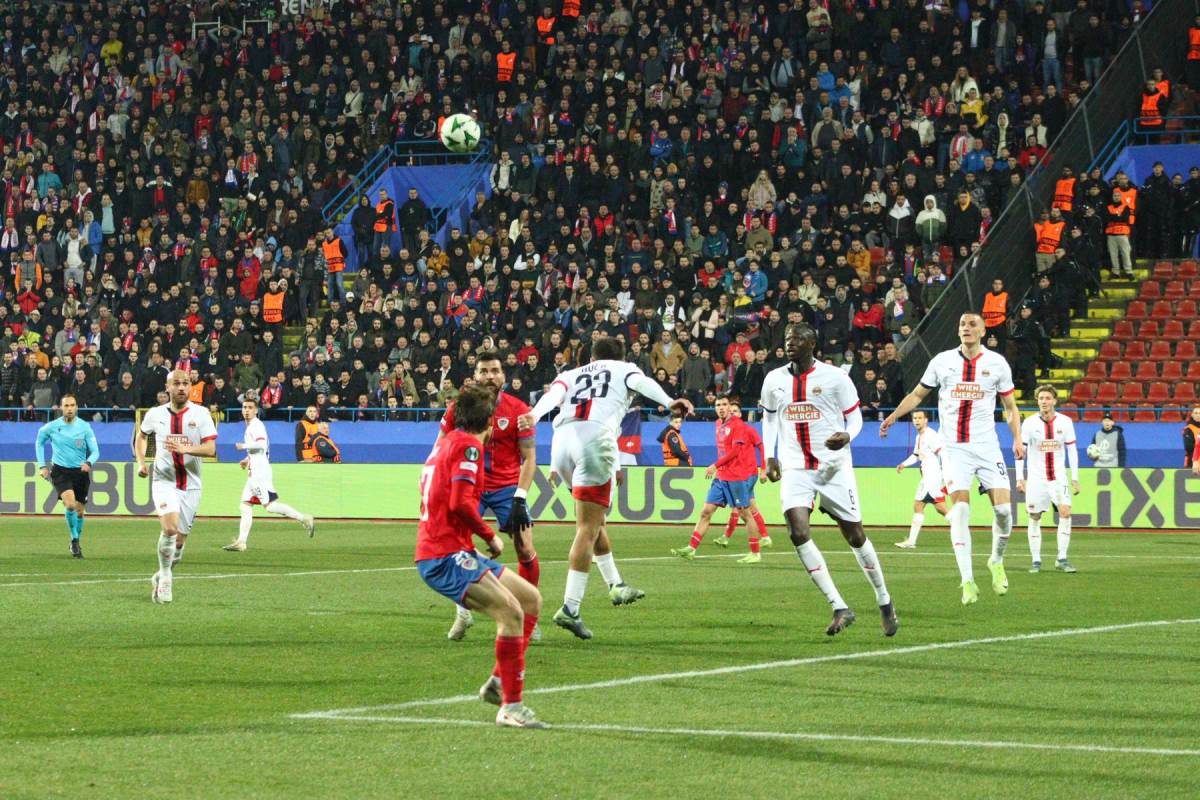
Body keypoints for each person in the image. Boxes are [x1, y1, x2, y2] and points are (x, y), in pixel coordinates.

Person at [520, 336, 693, 640]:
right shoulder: (624, 369)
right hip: (595, 439)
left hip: (560, 441)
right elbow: (644, 383)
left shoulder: (570, 374)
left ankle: (616, 585)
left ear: (590, 356)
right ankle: (571, 607)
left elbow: (553, 396)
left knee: (594, 521)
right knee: (587, 527)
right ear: (622, 354)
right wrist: (669, 402)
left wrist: (534, 415)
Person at [415, 384, 546, 729]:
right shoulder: (470, 448)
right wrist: (490, 536)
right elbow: (459, 502)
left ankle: (500, 682)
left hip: (454, 550)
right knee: (511, 612)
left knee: (530, 600)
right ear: (488, 421)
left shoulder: (445, 444)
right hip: (444, 555)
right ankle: (511, 707)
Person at [760, 323, 898, 637]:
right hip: (796, 468)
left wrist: (848, 434)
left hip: (833, 466)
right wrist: (770, 456)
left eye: (796, 338)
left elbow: (855, 415)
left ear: (812, 343)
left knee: (855, 536)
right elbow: (769, 418)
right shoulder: (774, 380)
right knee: (797, 531)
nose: (790, 342)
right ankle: (839, 606)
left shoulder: (835, 378)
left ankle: (884, 598)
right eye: (787, 337)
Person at [880, 313, 1025, 605]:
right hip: (954, 449)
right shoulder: (942, 362)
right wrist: (894, 416)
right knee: (959, 511)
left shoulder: (996, 364)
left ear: (983, 330)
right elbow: (918, 395)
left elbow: (1010, 407)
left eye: (972, 325)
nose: (966, 329)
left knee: (1005, 513)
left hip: (987, 447)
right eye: (962, 325)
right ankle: (967, 580)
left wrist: (1018, 438)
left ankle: (995, 560)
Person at [440, 352, 540, 642]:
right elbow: (441, 447)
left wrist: (520, 497)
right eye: (484, 371)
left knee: (524, 547)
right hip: (468, 485)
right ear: (475, 376)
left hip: (506, 487)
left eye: (495, 370)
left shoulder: (519, 410)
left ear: (503, 376)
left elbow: (529, 458)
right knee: (458, 549)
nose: (490, 376)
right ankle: (463, 613)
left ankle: (526, 616)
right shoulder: (457, 408)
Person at [134, 370, 218, 604]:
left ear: (191, 386)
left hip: (191, 484)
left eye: (185, 383)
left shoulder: (201, 414)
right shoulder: (155, 414)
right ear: (167, 387)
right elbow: (141, 437)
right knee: (169, 530)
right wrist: (141, 462)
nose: (181, 387)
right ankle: (166, 579)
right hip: (164, 481)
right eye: (176, 383)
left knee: (178, 545)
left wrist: (185, 449)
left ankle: (162, 572)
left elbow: (210, 449)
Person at [671, 396, 768, 564]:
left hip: (736, 476)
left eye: (724, 404)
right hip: (721, 477)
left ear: (730, 407)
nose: (721, 408)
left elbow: (735, 452)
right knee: (706, 511)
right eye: (718, 405)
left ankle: (755, 552)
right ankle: (691, 548)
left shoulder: (737, 425)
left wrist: (715, 465)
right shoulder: (717, 424)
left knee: (745, 514)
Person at [223, 398, 316, 552]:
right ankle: (241, 541)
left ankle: (304, 518)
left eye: (250, 407)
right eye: (244, 407)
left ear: (256, 410)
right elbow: (261, 450)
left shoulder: (256, 426)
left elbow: (261, 445)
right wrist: (247, 459)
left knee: (270, 506)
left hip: (259, 472)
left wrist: (243, 446)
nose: (246, 410)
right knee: (245, 504)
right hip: (255, 470)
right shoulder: (252, 426)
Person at [1016, 385, 1079, 574]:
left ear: (1054, 401)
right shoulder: (1029, 423)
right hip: (1036, 478)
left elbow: (1072, 450)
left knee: (1065, 513)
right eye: (1041, 398)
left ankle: (1062, 558)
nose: (1044, 401)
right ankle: (1036, 560)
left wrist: (1074, 477)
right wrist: (1020, 478)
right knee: (1035, 516)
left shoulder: (1066, 422)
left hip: (1058, 477)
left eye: (1047, 398)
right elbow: (1021, 451)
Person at [35, 394, 99, 558]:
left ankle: (74, 540)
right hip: (60, 471)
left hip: (81, 472)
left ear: (76, 407)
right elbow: (39, 442)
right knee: (70, 504)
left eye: (72, 405)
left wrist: (89, 463)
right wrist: (42, 465)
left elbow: (96, 451)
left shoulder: (85, 427)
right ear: (61, 408)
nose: (69, 409)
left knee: (79, 512)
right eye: (66, 406)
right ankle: (75, 541)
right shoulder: (51, 427)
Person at [714, 401, 772, 551]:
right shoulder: (730, 430)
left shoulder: (748, 429)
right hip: (741, 474)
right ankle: (765, 537)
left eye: (735, 411)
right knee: (750, 507)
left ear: (741, 414)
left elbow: (761, 445)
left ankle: (727, 537)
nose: (732, 413)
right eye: (730, 411)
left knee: (740, 508)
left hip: (748, 474)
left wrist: (763, 468)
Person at [894, 409, 948, 549]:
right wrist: (903, 464)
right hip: (930, 477)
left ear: (926, 420)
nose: (917, 420)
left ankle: (911, 541)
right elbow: (916, 455)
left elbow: (942, 452)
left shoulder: (930, 435)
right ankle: (961, 530)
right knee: (941, 508)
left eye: (920, 418)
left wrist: (946, 474)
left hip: (931, 477)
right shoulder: (920, 437)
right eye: (915, 418)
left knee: (918, 505)